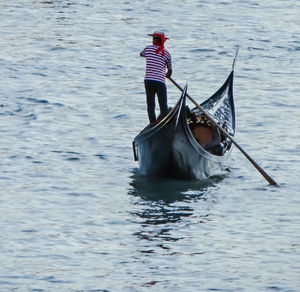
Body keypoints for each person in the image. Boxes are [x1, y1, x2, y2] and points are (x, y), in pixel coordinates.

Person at [140, 31, 172, 124]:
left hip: (148, 81)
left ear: (154, 40)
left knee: (150, 105)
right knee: (164, 108)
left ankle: (153, 123)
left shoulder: (148, 49)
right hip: (160, 82)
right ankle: (160, 121)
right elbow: (170, 71)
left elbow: (141, 54)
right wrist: (167, 74)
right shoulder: (166, 53)